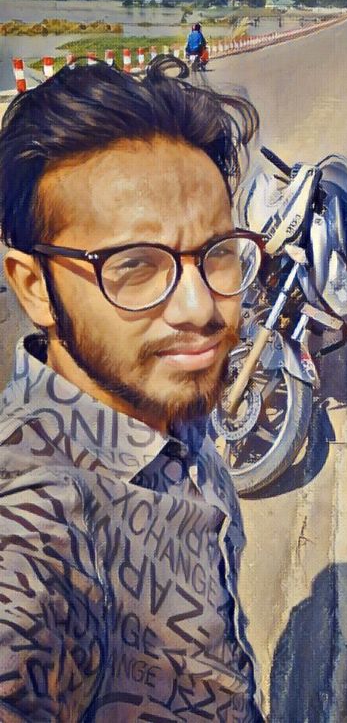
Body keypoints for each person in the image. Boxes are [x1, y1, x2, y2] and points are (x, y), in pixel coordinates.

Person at [0, 56, 266, 719]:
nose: (200, 308)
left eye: (218, 252)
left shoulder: (167, 398)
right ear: (34, 287)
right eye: (136, 265)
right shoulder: (39, 519)